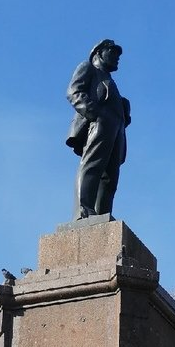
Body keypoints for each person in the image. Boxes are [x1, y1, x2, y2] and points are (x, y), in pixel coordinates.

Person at [66, 39, 131, 219]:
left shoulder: (110, 80)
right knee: (92, 165)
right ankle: (83, 209)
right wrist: (94, 114)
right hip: (99, 123)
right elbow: (74, 92)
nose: (117, 57)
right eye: (113, 51)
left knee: (110, 178)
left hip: (116, 129)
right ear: (99, 52)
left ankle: (102, 214)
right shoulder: (88, 68)